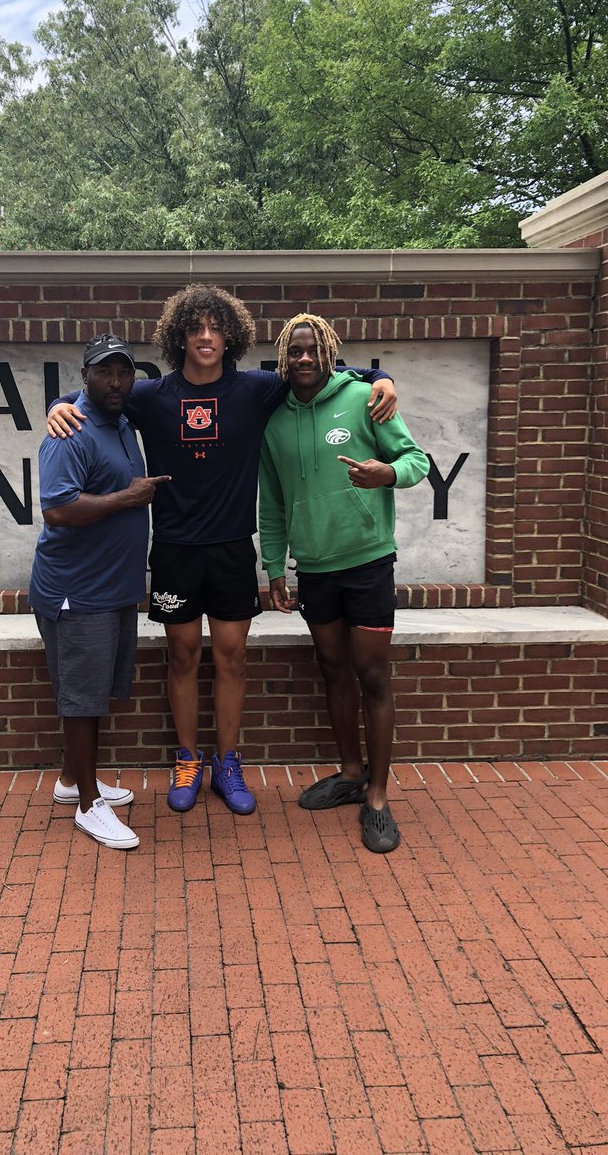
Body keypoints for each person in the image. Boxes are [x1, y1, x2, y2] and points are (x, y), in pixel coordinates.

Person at [47, 285, 398, 818]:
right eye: (195, 328)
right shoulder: (150, 395)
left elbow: (325, 372)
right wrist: (59, 405)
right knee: (183, 656)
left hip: (233, 548)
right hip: (174, 550)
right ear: (178, 337)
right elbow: (99, 397)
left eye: (215, 328)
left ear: (229, 336)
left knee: (231, 657)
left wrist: (381, 378)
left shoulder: (257, 389)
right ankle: (188, 760)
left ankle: (228, 762)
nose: (205, 337)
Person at [258, 313, 429, 853]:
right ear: (284, 358)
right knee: (333, 670)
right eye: (295, 352)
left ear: (329, 352)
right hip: (314, 568)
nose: (304, 359)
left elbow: (417, 460)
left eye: (313, 350)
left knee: (372, 675)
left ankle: (378, 798)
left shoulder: (364, 397)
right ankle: (351, 774)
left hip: (368, 561)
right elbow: (272, 501)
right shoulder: (273, 420)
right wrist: (274, 566)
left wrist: (387, 474)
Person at [29, 334, 170, 849]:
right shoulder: (70, 431)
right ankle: (89, 805)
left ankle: (71, 781)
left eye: (124, 372)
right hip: (76, 591)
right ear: (85, 375)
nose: (116, 382)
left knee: (95, 692)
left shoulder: (122, 419)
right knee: (82, 701)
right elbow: (58, 509)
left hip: (111, 588)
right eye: (104, 372)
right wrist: (128, 498)